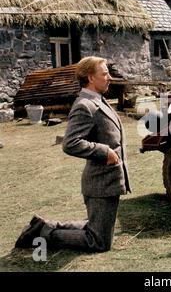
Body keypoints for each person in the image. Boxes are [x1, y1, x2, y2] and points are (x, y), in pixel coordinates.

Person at [15, 56, 130, 252]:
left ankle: (45, 226)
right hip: (100, 183)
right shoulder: (84, 105)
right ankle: (44, 234)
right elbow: (70, 143)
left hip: (109, 179)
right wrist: (105, 152)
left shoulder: (98, 100)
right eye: (104, 74)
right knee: (99, 242)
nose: (110, 77)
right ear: (90, 78)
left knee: (95, 228)